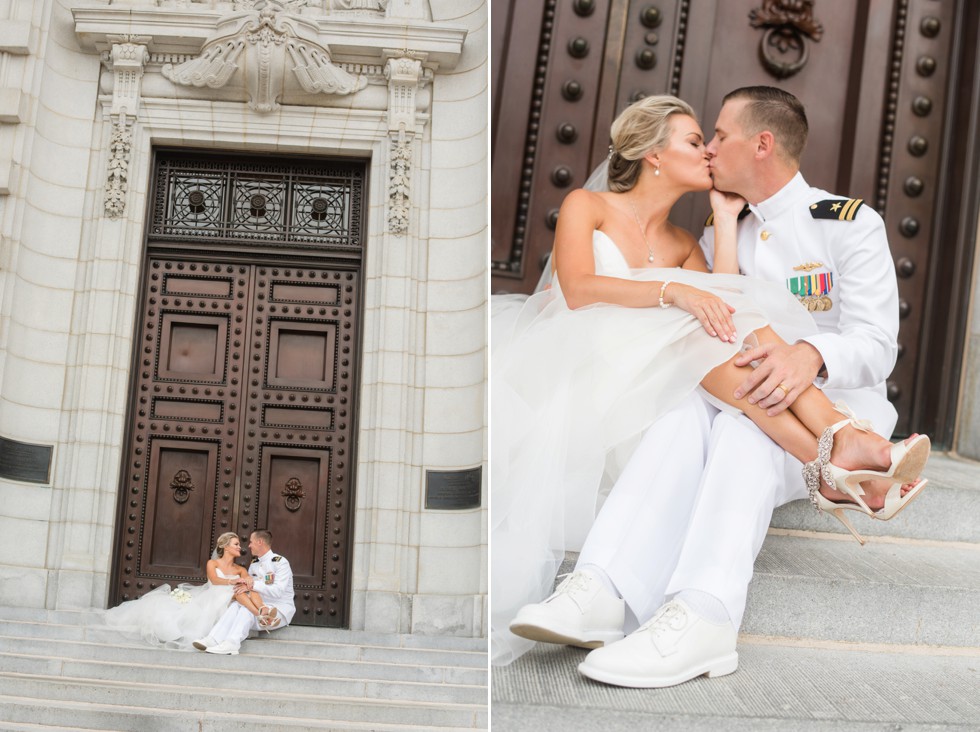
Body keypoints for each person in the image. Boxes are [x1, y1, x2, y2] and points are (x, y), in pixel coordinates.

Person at [505, 86, 925, 687]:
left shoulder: (846, 223)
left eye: (719, 136)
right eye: (701, 138)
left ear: (761, 144)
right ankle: (601, 587)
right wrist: (725, 224)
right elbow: (716, 317)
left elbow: (878, 343)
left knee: (740, 434)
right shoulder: (717, 228)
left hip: (834, 402)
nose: (710, 150)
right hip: (745, 390)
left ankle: (706, 615)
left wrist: (809, 354)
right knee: (680, 415)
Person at [103, 531, 250, 650]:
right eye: (236, 544)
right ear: (225, 546)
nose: (240, 547)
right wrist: (232, 581)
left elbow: (248, 583)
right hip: (212, 598)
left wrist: (248, 581)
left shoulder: (241, 569)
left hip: (230, 600)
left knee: (237, 597)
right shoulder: (212, 563)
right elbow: (214, 580)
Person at [193, 529, 295, 655]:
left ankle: (232, 643)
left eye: (251, 542)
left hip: (279, 611)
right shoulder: (254, 564)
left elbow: (278, 591)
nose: (249, 545)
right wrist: (248, 588)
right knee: (237, 605)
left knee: (245, 608)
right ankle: (212, 639)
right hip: (261, 609)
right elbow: (250, 589)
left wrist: (252, 585)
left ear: (260, 542)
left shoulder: (280, 563)